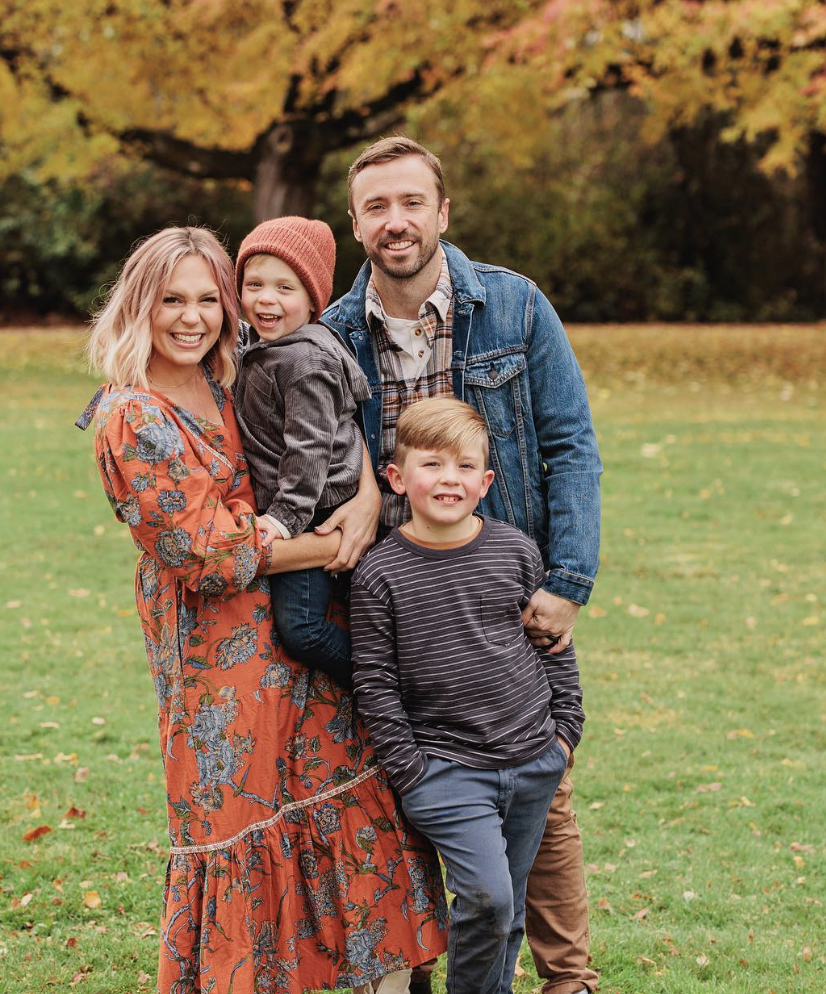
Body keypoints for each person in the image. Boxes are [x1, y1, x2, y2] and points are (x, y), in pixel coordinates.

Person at [79, 226, 447, 994]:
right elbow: (204, 556)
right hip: (219, 659)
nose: (192, 317)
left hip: (298, 631)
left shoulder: (229, 379)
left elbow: (323, 445)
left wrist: (369, 497)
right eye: (172, 300)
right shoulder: (131, 417)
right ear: (139, 305)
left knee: (346, 789)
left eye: (209, 299)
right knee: (239, 825)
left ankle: (377, 976)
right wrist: (328, 545)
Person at [319, 136, 603, 994]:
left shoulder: (513, 307)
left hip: (499, 575)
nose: (395, 222)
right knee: (405, 784)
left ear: (443, 213)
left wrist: (566, 581)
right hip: (392, 589)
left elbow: (570, 444)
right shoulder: (334, 335)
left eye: (411, 203)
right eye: (377, 207)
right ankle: (407, 967)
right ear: (356, 222)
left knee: (538, 796)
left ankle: (567, 979)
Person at [350, 398, 585, 994]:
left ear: (485, 481)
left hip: (532, 758)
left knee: (505, 911)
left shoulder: (514, 550)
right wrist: (411, 770)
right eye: (431, 465)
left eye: (463, 468)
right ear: (397, 478)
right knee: (487, 895)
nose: (447, 480)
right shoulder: (380, 572)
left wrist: (564, 734)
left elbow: (552, 642)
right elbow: (374, 681)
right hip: (447, 770)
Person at [233, 215, 370, 687]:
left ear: (313, 301)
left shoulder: (304, 361)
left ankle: (386, 681)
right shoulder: (264, 341)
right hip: (301, 503)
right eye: (254, 284)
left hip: (314, 509)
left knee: (304, 631)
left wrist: (284, 519)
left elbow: (309, 447)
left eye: (285, 288)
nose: (266, 299)